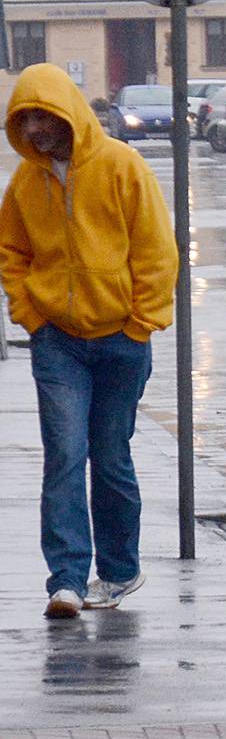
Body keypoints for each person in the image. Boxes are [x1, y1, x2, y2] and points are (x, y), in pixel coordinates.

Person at [0, 65, 178, 620]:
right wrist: (31, 314)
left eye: (44, 117)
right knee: (64, 457)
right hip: (59, 343)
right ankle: (67, 581)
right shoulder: (26, 184)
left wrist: (140, 322)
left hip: (122, 340)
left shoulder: (122, 167)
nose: (35, 129)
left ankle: (120, 571)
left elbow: (155, 250)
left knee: (109, 457)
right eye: (25, 119)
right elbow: (12, 252)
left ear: (68, 114)